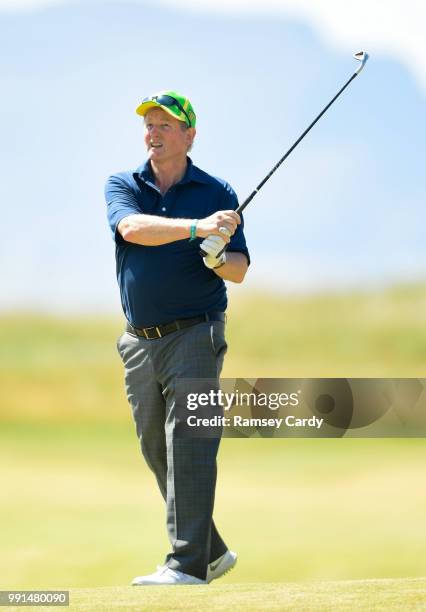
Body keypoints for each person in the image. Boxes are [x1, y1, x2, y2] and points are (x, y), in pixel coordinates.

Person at [105, 90, 250, 586]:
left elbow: (239, 269)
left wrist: (215, 256)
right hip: (139, 342)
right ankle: (211, 552)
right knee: (156, 450)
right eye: (149, 124)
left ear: (189, 134)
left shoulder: (217, 191)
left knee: (190, 443)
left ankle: (187, 564)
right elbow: (130, 229)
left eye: (165, 125)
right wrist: (196, 229)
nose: (153, 133)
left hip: (196, 332)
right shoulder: (123, 183)